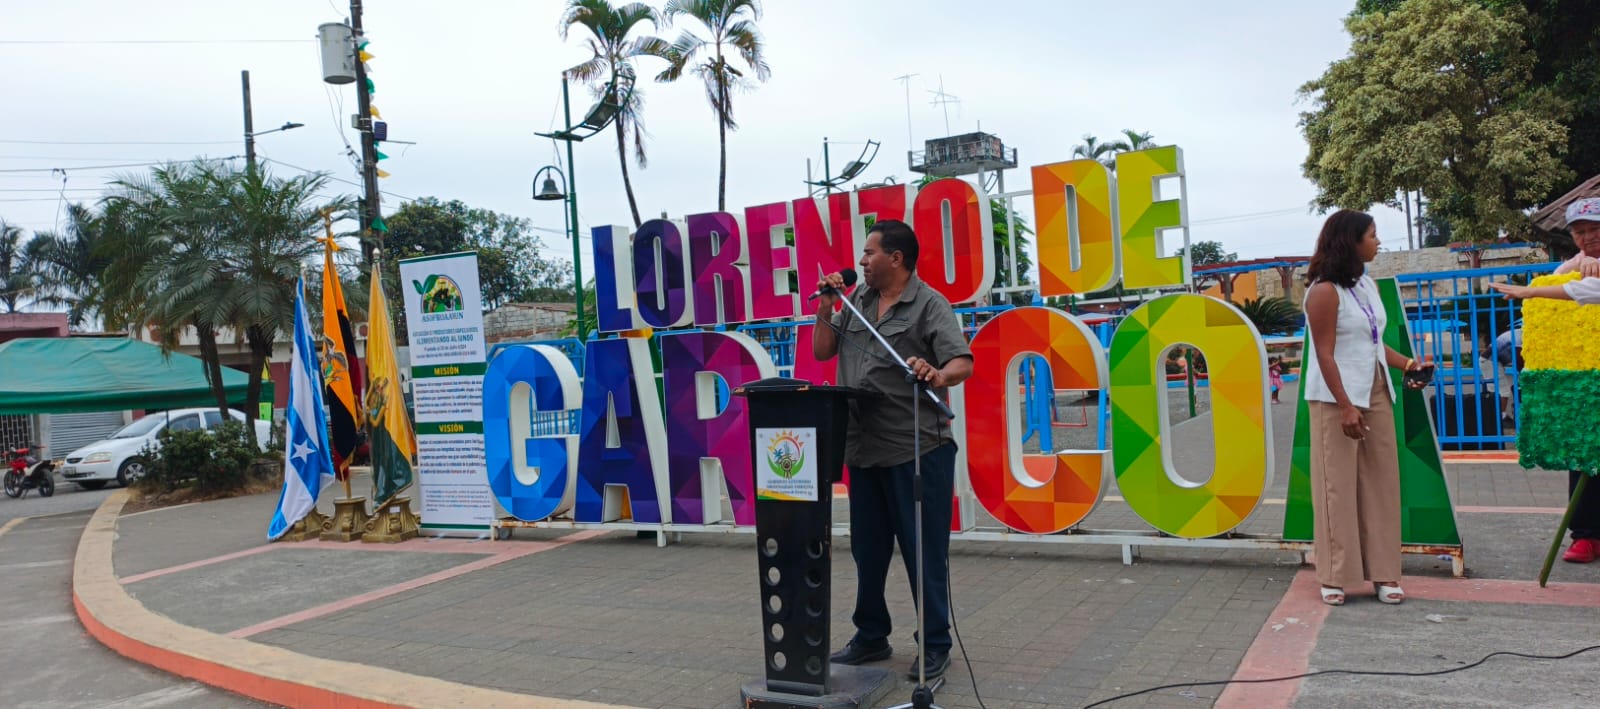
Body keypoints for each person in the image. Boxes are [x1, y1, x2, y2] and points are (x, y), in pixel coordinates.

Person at [812, 219, 974, 680]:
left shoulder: (928, 304)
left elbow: (961, 361)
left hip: (916, 449)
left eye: (869, 252)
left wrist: (938, 375)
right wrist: (826, 305)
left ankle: (935, 643)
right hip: (863, 448)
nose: (861, 261)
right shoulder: (857, 301)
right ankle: (871, 636)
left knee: (923, 551)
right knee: (868, 551)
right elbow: (823, 351)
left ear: (896, 258)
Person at [1301, 210, 1430, 606]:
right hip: (1334, 397)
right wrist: (1345, 406)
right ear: (1350, 241)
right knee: (1336, 487)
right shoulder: (1323, 291)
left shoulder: (1366, 284)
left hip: (1376, 389)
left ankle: (1385, 573)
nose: (1378, 242)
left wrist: (1408, 364)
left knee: (1382, 484)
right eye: (1372, 235)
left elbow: (1373, 343)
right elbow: (1324, 353)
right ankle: (1334, 576)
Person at [1487, 196, 1600, 563]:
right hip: (1584, 379)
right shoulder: (1579, 265)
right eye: (1580, 232)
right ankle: (1586, 535)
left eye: (1594, 229)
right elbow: (1567, 287)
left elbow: (1585, 292)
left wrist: (1530, 290)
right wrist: (1573, 264)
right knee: (1583, 454)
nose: (1588, 237)